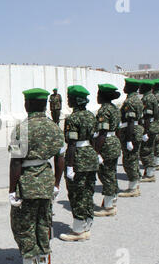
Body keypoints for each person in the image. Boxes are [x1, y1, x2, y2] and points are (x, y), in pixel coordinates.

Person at [8, 88, 64, 264]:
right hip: (46, 180)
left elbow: (16, 162)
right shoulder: (55, 127)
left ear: (28, 104)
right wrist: (57, 183)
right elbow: (60, 158)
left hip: (28, 183)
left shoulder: (22, 129)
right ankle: (42, 263)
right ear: (45, 105)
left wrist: (11, 190)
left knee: (24, 224)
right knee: (43, 221)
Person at [61, 85, 98, 242]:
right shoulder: (91, 116)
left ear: (75, 100)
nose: (68, 100)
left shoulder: (73, 119)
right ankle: (87, 225)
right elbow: (95, 138)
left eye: (69, 98)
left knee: (76, 194)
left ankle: (78, 231)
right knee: (88, 191)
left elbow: (72, 144)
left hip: (78, 158)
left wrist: (69, 166)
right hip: (90, 155)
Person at [93, 84, 121, 217]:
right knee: (111, 172)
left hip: (107, 144)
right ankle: (112, 198)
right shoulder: (114, 108)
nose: (97, 97)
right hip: (114, 142)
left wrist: (97, 152)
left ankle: (108, 207)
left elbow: (103, 133)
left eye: (98, 94)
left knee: (106, 175)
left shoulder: (104, 110)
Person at [118, 78, 143, 198]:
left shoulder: (130, 102)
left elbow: (131, 120)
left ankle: (132, 188)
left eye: (126, 85)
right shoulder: (136, 99)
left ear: (130, 87)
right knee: (133, 158)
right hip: (135, 131)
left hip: (131, 132)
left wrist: (128, 140)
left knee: (130, 161)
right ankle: (135, 183)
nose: (124, 87)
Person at [139, 80, 159, 183]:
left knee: (145, 151)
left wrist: (145, 132)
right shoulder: (152, 97)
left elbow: (147, 116)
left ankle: (150, 174)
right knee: (149, 150)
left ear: (145, 87)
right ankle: (149, 172)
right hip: (153, 126)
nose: (139, 88)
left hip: (149, 127)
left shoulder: (147, 99)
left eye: (141, 86)